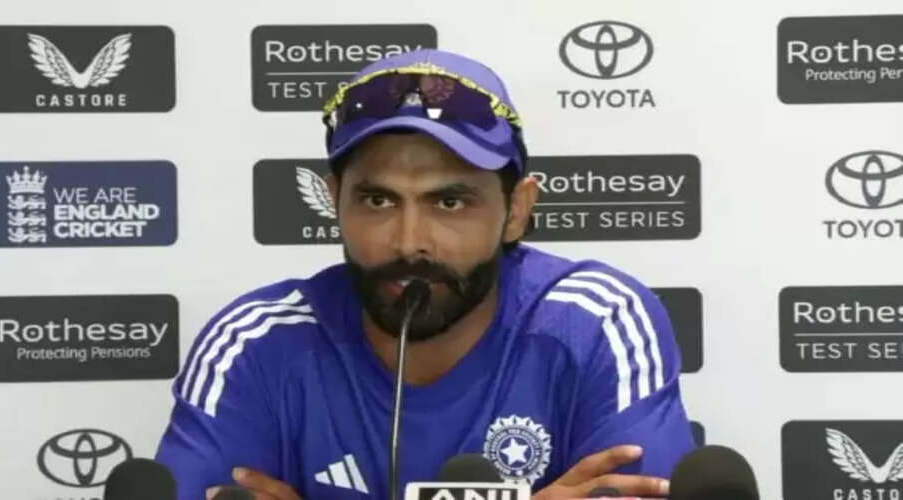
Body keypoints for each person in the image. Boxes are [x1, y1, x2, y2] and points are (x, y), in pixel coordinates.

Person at [156, 49, 695, 500]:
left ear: (516, 210)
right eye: (378, 200)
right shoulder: (255, 342)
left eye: (450, 202)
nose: (409, 241)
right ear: (333, 199)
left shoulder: (597, 321)